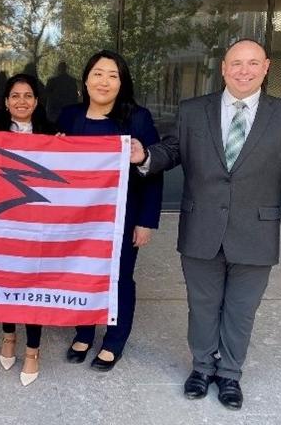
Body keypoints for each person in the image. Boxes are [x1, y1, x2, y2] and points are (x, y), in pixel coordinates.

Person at [130, 38, 281, 410]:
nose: (244, 71)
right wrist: (145, 156)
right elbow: (172, 151)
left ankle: (230, 374)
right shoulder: (192, 111)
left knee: (241, 308)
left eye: (252, 63)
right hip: (201, 228)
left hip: (256, 231)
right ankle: (202, 368)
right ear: (223, 68)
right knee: (202, 305)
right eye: (236, 63)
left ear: (266, 67)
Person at [58, 50, 163, 371]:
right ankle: (84, 331)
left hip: (122, 216)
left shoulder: (138, 118)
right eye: (98, 74)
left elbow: (152, 171)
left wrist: (146, 221)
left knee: (119, 279)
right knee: (81, 273)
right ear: (86, 79)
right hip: (79, 218)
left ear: (122, 83)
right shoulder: (69, 116)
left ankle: (114, 340)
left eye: (113, 75)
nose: (104, 81)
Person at [0, 73, 56, 386]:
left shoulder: (52, 135)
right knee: (7, 281)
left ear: (37, 101)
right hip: (4, 223)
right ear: (5, 102)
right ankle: (8, 336)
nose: (21, 101)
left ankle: (32, 351)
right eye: (15, 95)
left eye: (28, 95)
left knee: (34, 284)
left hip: (38, 225)